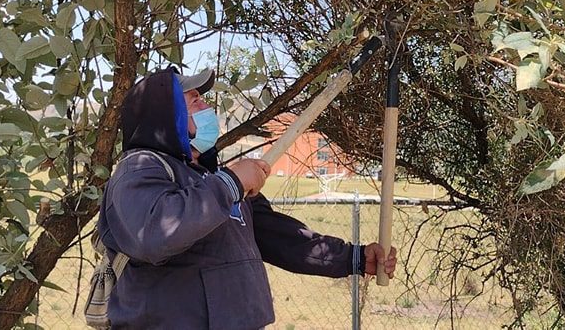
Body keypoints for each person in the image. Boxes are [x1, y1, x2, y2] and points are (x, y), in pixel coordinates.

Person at [97, 66, 397, 329]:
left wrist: (353, 258)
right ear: (165, 114)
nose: (206, 106)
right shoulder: (138, 169)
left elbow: (283, 239)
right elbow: (153, 233)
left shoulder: (211, 179)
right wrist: (231, 183)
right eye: (194, 100)